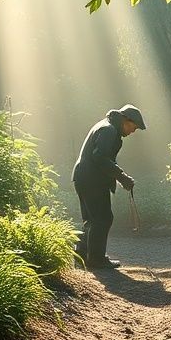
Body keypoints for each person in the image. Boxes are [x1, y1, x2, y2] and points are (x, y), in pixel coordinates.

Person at [72, 104, 146, 269]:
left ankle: (82, 255)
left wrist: (120, 177)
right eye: (134, 127)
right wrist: (121, 176)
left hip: (83, 177)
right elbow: (100, 157)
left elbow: (103, 158)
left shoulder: (106, 126)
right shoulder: (109, 130)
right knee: (102, 218)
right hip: (92, 180)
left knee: (91, 219)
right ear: (127, 120)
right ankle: (96, 260)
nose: (133, 132)